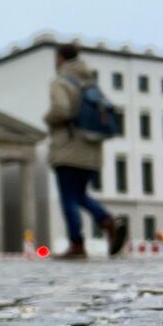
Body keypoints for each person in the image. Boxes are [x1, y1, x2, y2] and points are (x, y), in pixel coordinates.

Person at [44, 44, 127, 259]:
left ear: (60, 58)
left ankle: (77, 243)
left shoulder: (61, 82)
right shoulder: (90, 83)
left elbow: (62, 110)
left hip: (69, 148)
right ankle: (107, 222)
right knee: (79, 194)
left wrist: (48, 118)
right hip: (91, 150)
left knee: (68, 197)